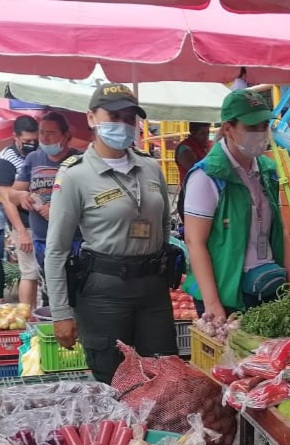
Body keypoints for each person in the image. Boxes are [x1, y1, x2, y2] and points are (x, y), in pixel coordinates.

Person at [46, 83, 178, 384]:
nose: (122, 125)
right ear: (92, 118)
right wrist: (61, 313)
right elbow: (56, 249)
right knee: (115, 384)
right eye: (114, 116)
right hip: (104, 294)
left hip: (153, 291)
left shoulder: (150, 167)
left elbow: (165, 226)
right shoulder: (75, 174)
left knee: (165, 380)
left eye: (129, 118)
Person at [182, 89, 290, 319]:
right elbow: (195, 242)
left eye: (264, 126)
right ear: (228, 129)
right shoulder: (208, 177)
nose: (261, 133)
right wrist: (213, 304)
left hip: (266, 287)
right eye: (251, 127)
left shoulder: (267, 171)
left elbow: (281, 231)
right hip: (227, 295)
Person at [14, 112, 83, 302]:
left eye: (50, 133)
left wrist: (59, 210)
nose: (44, 138)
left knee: (76, 293)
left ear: (66, 134)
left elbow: (92, 199)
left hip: (74, 241)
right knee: (50, 295)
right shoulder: (33, 159)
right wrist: (22, 196)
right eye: (42, 132)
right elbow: (14, 193)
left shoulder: (80, 160)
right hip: (42, 241)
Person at [0, 116, 41, 310]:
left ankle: (36, 314)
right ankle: (27, 319)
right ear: (15, 136)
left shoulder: (37, 153)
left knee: (39, 272)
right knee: (29, 272)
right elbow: (6, 200)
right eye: (27, 142)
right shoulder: (7, 160)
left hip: (41, 220)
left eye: (35, 140)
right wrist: (21, 231)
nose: (32, 145)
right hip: (23, 223)